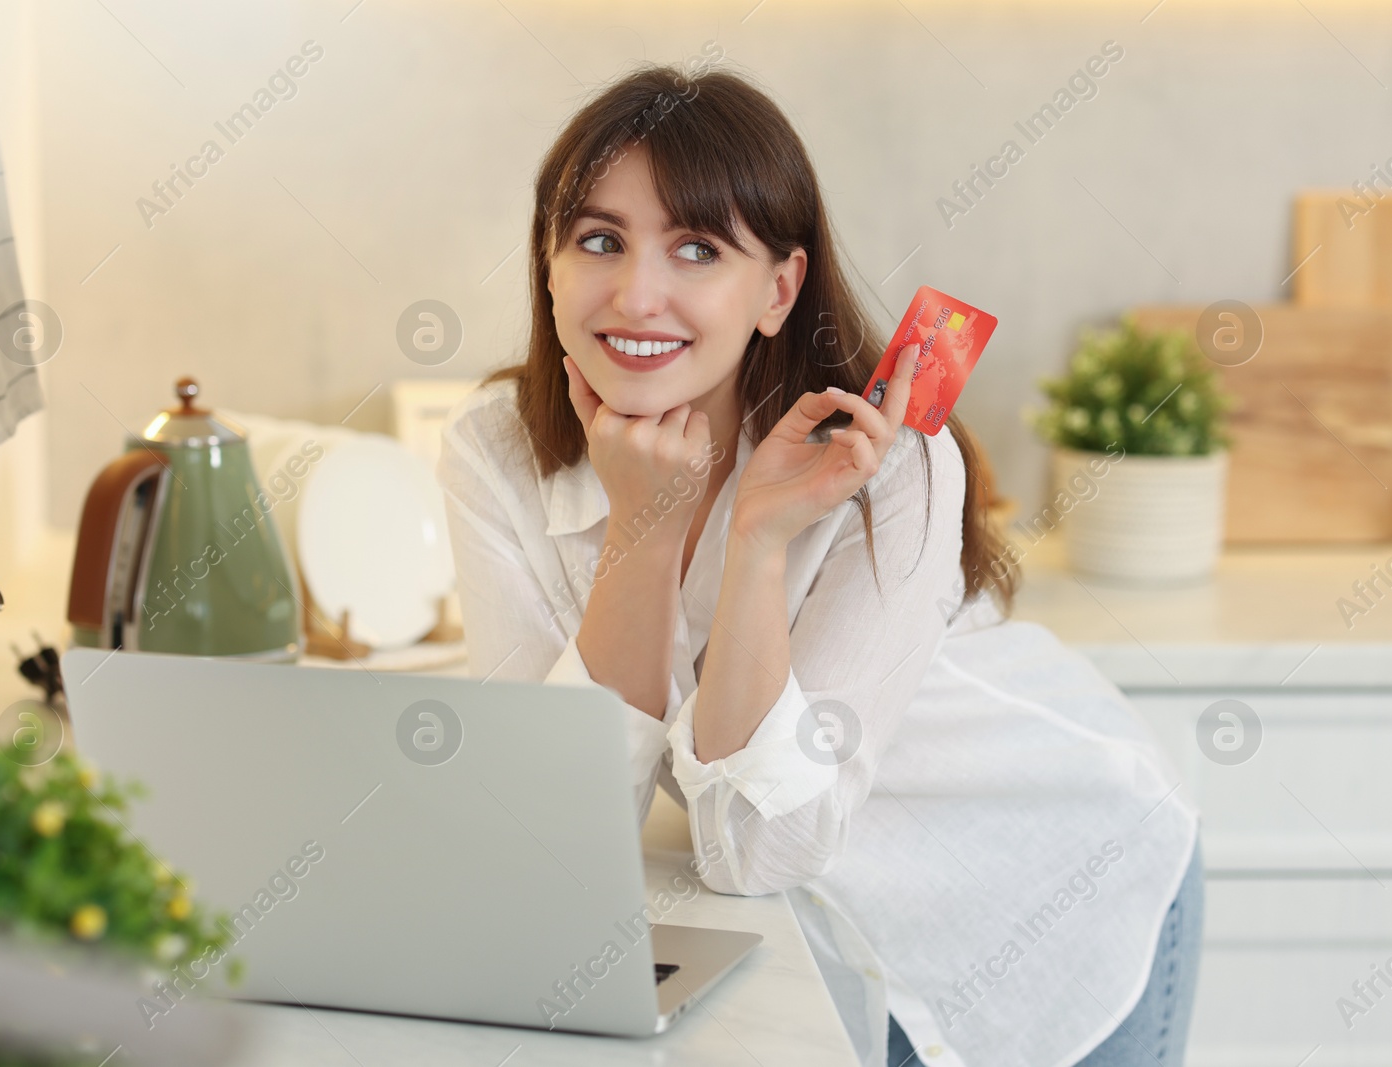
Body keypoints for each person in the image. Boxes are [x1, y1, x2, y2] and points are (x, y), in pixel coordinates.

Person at [434, 62, 1202, 1067]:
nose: (635, 292)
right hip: (819, 910)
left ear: (778, 289)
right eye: (597, 239)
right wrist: (645, 529)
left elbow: (757, 845)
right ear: (546, 262)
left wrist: (755, 541)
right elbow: (552, 833)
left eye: (697, 246)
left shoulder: (883, 460)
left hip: (1047, 872)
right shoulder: (494, 450)